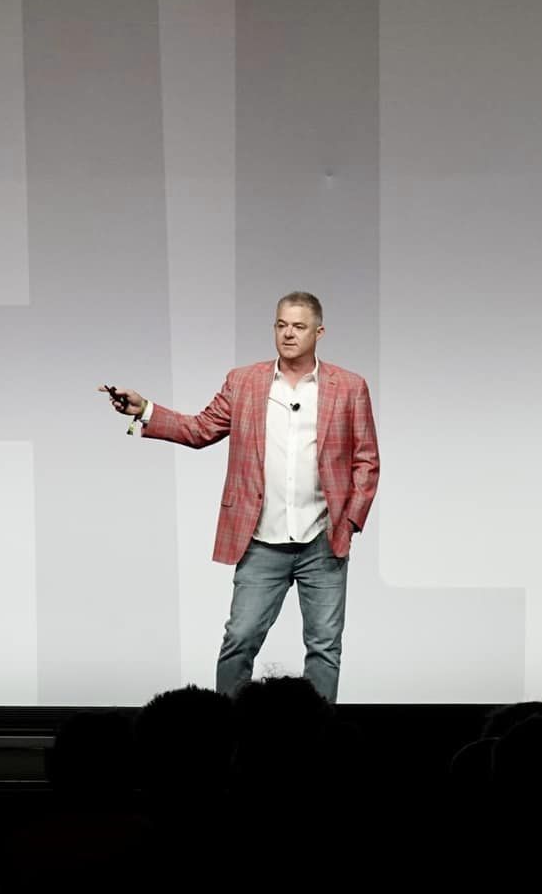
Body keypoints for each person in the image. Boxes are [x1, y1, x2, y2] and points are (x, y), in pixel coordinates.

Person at [99, 291, 379, 702]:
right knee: (240, 639)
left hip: (323, 540)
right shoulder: (244, 381)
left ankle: (317, 733)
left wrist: (350, 522)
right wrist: (145, 410)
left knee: (324, 647)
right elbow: (199, 430)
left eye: (298, 326)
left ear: (319, 332)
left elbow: (366, 459)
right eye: (281, 325)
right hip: (261, 539)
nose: (288, 334)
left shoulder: (349, 387)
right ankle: (227, 730)